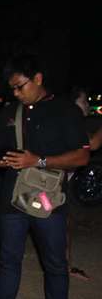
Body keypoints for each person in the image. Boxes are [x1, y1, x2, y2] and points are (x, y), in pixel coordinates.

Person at [0, 54, 91, 299]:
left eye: (20, 86)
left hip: (49, 200)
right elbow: (3, 152)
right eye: (12, 88)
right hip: (12, 198)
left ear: (38, 78)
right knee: (8, 260)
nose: (16, 93)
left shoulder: (65, 111)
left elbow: (82, 156)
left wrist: (39, 161)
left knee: (56, 263)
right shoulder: (10, 112)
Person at [65, 86, 91, 280]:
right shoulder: (71, 122)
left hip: (59, 182)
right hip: (49, 184)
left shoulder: (73, 122)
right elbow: (93, 144)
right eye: (84, 101)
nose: (87, 105)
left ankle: (65, 265)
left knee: (64, 223)